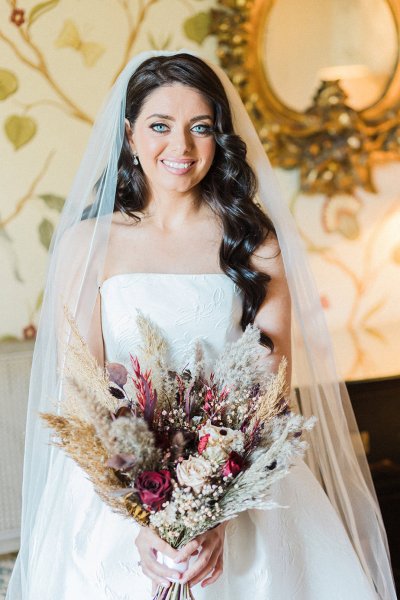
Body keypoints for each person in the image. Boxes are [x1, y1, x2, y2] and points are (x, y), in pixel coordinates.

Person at [6, 49, 396, 600]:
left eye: (201, 128)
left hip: (240, 485)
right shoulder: (87, 246)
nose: (181, 148)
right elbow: (83, 393)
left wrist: (217, 514)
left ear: (221, 138)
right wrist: (141, 518)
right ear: (129, 134)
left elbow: (271, 392)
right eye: (160, 126)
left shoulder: (255, 246)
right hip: (116, 495)